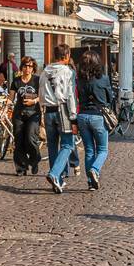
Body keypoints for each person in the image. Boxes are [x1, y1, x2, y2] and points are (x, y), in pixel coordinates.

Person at [40, 45, 79, 193]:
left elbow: (41, 93)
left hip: (47, 111)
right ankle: (55, 173)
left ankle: (58, 181)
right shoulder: (68, 71)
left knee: (52, 146)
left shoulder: (44, 71)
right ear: (67, 55)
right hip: (62, 110)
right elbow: (70, 96)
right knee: (68, 144)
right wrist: (74, 117)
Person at [75, 50, 113, 190]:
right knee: (103, 150)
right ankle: (95, 170)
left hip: (83, 116)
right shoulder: (103, 78)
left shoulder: (79, 80)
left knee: (89, 150)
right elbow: (110, 97)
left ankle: (91, 183)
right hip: (98, 116)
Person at [9, 57, 42, 176]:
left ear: (33, 68)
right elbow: (11, 97)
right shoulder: (16, 81)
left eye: (30, 66)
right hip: (19, 114)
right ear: (22, 67)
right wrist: (5, 106)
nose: (27, 68)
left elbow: (42, 96)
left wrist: (33, 101)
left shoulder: (37, 80)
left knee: (30, 138)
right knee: (18, 140)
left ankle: (34, 160)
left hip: (33, 113)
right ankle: (21, 167)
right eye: (25, 66)